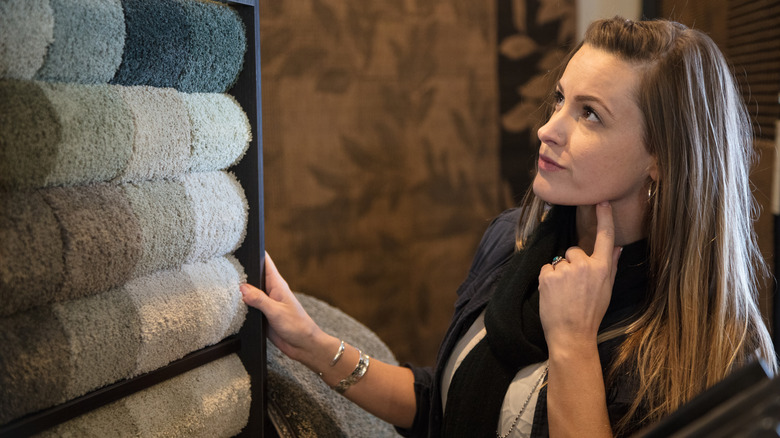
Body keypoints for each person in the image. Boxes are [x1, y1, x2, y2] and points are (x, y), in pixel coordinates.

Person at [240, 17, 778, 437]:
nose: (548, 128)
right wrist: (311, 344)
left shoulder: (719, 352)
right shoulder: (513, 240)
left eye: (590, 114)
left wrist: (572, 342)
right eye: (560, 99)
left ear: (662, 156)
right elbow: (442, 409)